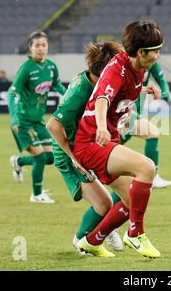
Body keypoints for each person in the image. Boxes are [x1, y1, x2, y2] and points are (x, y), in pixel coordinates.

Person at [73, 20, 163, 258]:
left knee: (130, 200)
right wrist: (101, 126)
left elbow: (122, 91)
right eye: (156, 51)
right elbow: (102, 97)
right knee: (147, 168)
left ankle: (91, 241)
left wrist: (145, 90)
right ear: (142, 52)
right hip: (93, 142)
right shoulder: (117, 69)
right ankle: (135, 234)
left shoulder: (138, 69)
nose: (159, 56)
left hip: (104, 142)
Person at [46, 42, 125, 256]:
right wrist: (73, 157)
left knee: (127, 183)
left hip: (89, 146)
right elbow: (53, 125)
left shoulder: (93, 80)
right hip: (70, 154)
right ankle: (81, 240)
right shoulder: (81, 90)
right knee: (104, 204)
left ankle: (106, 227)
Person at [7, 31, 67, 203]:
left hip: (38, 121)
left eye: (44, 45)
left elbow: (56, 84)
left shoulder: (51, 67)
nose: (41, 49)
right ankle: (37, 194)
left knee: (52, 157)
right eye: (37, 45)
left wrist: (70, 95)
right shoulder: (26, 68)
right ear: (30, 48)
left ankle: (19, 161)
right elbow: (11, 94)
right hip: (23, 122)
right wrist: (14, 118)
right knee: (40, 158)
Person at [120, 61, 171, 189]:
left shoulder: (151, 63)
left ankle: (94, 164)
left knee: (120, 139)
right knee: (152, 132)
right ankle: (152, 177)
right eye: (155, 51)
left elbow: (162, 80)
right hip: (124, 108)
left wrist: (165, 92)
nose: (157, 55)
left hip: (135, 109)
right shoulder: (125, 64)